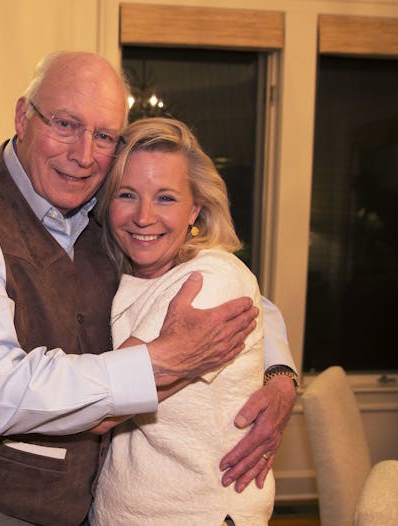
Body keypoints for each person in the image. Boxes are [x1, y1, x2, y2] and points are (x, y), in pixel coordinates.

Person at [0, 50, 298, 526]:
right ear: (22, 117)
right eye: (65, 125)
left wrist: (279, 376)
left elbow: (242, 299)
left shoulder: (104, 215)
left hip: (90, 504)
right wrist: (161, 360)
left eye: (104, 136)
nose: (83, 155)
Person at [87, 117, 273, 525]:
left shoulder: (209, 278)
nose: (143, 216)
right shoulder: (128, 276)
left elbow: (101, 408)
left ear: (196, 210)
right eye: (127, 194)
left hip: (196, 513)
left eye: (166, 198)